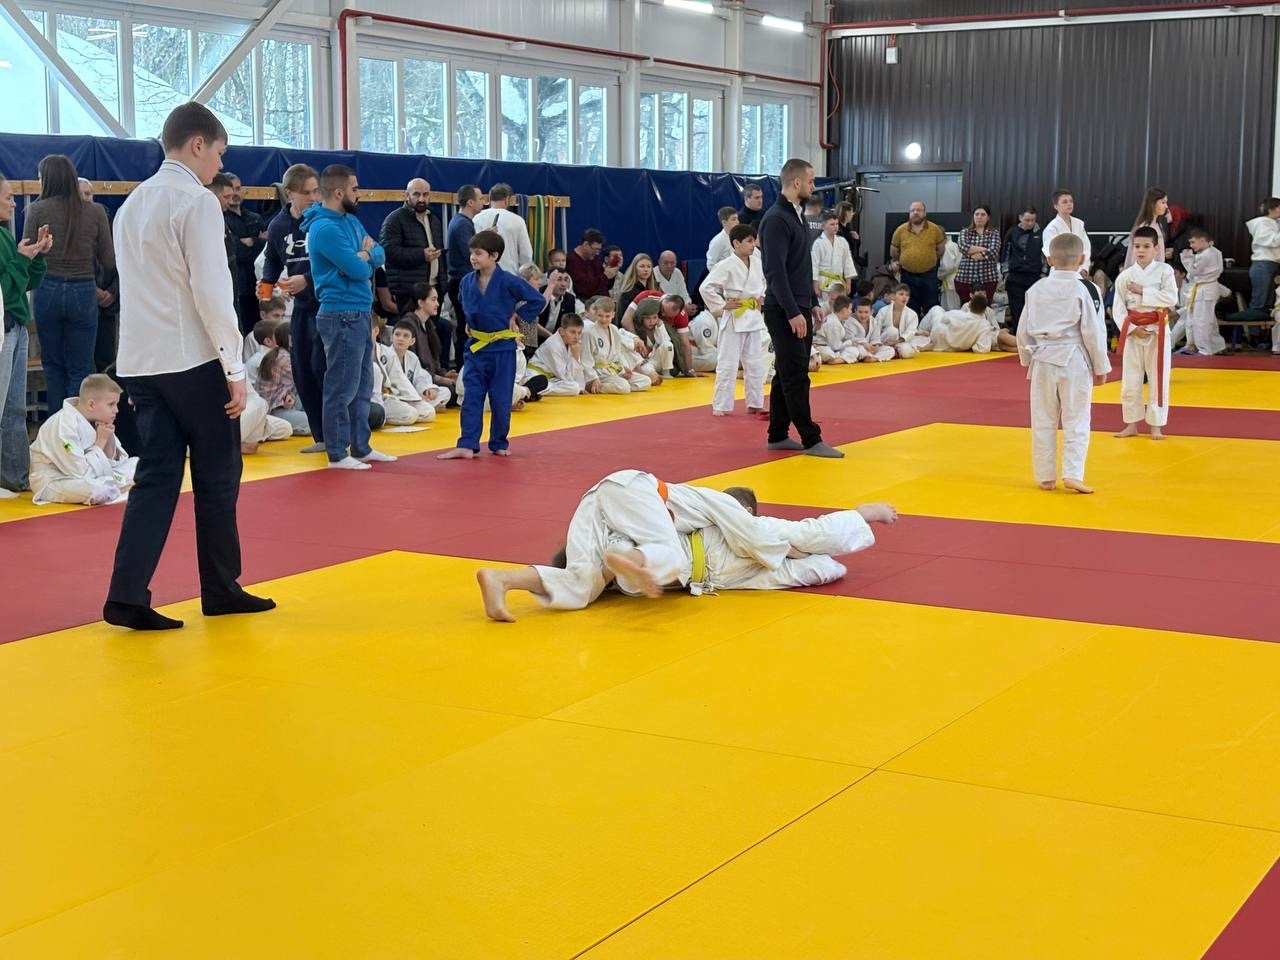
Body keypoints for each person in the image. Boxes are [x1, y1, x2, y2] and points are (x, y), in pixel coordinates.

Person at [104, 102, 275, 631]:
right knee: (218, 473)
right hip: (192, 359)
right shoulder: (196, 202)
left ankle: (126, 595)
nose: (219, 165)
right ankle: (220, 588)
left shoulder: (132, 203)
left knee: (156, 476)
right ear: (197, 144)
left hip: (140, 359)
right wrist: (236, 369)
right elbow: (212, 293)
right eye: (218, 152)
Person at [474, 468, 898, 621]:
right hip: (634, 488)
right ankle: (626, 558)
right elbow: (792, 534)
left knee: (581, 585)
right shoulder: (724, 508)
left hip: (602, 504)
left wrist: (822, 564)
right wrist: (862, 514)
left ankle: (501, 581)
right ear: (744, 508)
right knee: (669, 553)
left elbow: (808, 569)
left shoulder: (711, 534)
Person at [302, 163, 395, 471]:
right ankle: (337, 452)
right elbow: (358, 270)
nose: (359, 194)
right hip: (340, 312)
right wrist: (365, 259)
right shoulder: (325, 229)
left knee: (363, 383)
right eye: (355, 189)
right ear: (339, 192)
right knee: (341, 386)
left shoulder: (351, 221)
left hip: (360, 310)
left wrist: (366, 255)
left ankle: (360, 445)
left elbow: (378, 253)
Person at [759, 158, 841, 458]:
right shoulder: (776, 219)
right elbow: (775, 272)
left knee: (786, 372)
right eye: (810, 181)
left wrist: (812, 302)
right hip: (783, 309)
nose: (813, 186)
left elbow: (800, 266)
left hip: (799, 303)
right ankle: (811, 438)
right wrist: (793, 311)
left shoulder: (796, 216)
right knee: (796, 375)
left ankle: (778, 434)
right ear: (796, 183)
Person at [1017, 232, 1111, 493]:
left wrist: (1026, 358)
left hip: (1042, 359)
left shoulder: (1036, 289)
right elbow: (1094, 331)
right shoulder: (1086, 288)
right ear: (1082, 259)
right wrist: (1101, 366)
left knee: (1042, 419)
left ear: (1049, 259)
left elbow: (1023, 330)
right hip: (1074, 359)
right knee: (1077, 419)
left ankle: (1045, 476)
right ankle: (1072, 474)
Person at [438, 231, 544, 460]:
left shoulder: (509, 281)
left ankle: (498, 442)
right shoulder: (466, 281)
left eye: (478, 253)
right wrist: (469, 322)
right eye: (471, 253)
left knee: (500, 398)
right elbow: (464, 304)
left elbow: (537, 299)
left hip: (503, 349)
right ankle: (467, 444)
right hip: (476, 347)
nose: (473, 257)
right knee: (471, 396)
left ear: (494, 256)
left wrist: (518, 316)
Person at [24, 154, 114, 416]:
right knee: (80, 369)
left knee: (53, 367)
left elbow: (28, 254)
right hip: (83, 291)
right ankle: (77, 432)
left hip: (47, 289)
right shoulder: (95, 211)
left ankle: (55, 431)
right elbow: (109, 261)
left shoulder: (37, 210)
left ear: (47, 179)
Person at [259, 163, 325, 452]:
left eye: (316, 191)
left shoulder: (325, 221)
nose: (313, 198)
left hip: (329, 304)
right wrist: (266, 288)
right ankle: (321, 436)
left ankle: (340, 435)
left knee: (324, 368)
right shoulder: (278, 226)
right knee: (303, 370)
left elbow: (336, 263)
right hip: (302, 308)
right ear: (289, 193)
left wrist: (306, 280)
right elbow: (273, 261)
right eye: (307, 193)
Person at [0, 174, 51, 499]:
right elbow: (4, 290)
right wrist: (22, 259)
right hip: (4, 328)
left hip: (15, 325)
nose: (13, 202)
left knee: (15, 409)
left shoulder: (5, 236)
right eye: (8, 197)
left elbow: (23, 284)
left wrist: (36, 256)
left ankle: (15, 477)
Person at [30, 372, 137, 506]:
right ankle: (122, 486)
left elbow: (114, 462)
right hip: (58, 479)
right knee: (98, 490)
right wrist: (100, 441)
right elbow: (79, 472)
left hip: (91, 475)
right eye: (111, 404)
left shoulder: (96, 419)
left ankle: (120, 485)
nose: (116, 410)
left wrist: (108, 437)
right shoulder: (65, 424)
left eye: (116, 404)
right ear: (91, 405)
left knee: (137, 464)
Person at [1113, 226, 1179, 440]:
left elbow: (1171, 298)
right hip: (1134, 332)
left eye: (1146, 246)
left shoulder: (1165, 271)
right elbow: (1118, 308)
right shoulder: (1125, 276)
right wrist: (1132, 329)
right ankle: (1131, 424)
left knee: (1159, 377)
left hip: (1158, 331)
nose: (1141, 250)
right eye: (1137, 246)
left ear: (1156, 248)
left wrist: (1142, 291)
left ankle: (1156, 426)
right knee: (1130, 379)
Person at [701, 223, 767, 417]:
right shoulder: (726, 264)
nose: (753, 245)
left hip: (753, 316)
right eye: (749, 241)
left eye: (754, 241)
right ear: (736, 243)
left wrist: (761, 296)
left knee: (755, 363)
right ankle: (721, 405)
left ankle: (755, 402)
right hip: (734, 316)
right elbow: (706, 287)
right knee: (728, 363)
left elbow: (764, 281)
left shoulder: (757, 261)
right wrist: (722, 305)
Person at [379, 177, 446, 320]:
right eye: (416, 194)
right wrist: (421, 255)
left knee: (432, 331)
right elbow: (389, 252)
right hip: (409, 292)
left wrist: (443, 284)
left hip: (433, 289)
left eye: (425, 194)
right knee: (411, 331)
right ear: (407, 195)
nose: (421, 199)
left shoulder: (434, 220)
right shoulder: (394, 219)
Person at [77, 178, 121, 374]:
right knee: (82, 364)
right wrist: (92, 290)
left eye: (88, 193)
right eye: (80, 194)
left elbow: (122, 260)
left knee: (106, 361)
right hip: (81, 303)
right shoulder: (67, 227)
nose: (85, 198)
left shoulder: (108, 223)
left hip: (108, 306)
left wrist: (113, 291)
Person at [445, 184, 485, 369]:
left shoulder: (462, 223)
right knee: (466, 326)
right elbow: (469, 253)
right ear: (470, 202)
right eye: (480, 198)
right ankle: (465, 367)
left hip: (460, 279)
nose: (483, 202)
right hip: (462, 280)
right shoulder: (462, 224)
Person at [221, 173, 266, 334]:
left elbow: (266, 250)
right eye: (231, 189)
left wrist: (252, 241)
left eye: (238, 188)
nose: (235, 193)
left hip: (258, 287)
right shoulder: (220, 219)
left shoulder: (255, 218)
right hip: (236, 288)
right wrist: (257, 241)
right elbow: (236, 252)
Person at [580, 296, 651, 394]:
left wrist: (625, 367)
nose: (604, 319)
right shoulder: (589, 332)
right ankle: (594, 386)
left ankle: (618, 385)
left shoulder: (614, 329)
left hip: (613, 369)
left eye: (607, 316)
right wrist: (593, 378)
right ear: (595, 313)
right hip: (598, 372)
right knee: (624, 387)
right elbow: (585, 359)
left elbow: (618, 353)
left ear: (613, 315)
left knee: (646, 381)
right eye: (600, 316)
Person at [400, 283, 458, 398]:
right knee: (453, 391)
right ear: (420, 303)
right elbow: (413, 366)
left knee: (462, 385)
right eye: (433, 299)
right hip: (417, 381)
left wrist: (444, 374)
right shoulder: (408, 325)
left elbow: (432, 361)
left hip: (430, 377)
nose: (437, 304)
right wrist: (440, 379)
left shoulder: (428, 324)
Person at [889, 200, 946, 314]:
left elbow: (940, 250)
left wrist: (927, 259)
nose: (915, 212)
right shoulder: (900, 230)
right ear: (909, 213)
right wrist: (906, 260)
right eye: (912, 210)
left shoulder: (935, 229)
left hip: (929, 276)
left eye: (919, 210)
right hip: (908, 276)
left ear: (925, 213)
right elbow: (894, 252)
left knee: (931, 308)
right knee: (909, 309)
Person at [1178, 229, 1227, 356]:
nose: (1191, 246)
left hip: (1205, 290)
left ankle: (1204, 350)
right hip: (1206, 288)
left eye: (1193, 242)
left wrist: (1187, 258)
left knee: (1201, 322)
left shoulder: (1206, 255)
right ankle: (1217, 346)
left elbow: (1194, 271)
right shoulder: (1215, 251)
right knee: (1209, 320)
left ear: (1202, 240)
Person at [472, 183, 533, 274]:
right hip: (510, 273)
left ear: (490, 198)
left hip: (483, 273)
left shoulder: (476, 218)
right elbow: (526, 254)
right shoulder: (518, 220)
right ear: (507, 199)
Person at [1002, 207, 1044, 333]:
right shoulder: (1012, 232)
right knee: (1017, 310)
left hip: (1035, 277)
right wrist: (1005, 273)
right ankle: (1017, 336)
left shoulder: (1041, 233)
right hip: (1015, 276)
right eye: (1027, 220)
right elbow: (1005, 253)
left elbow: (1045, 254)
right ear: (1020, 218)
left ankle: (1034, 335)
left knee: (1035, 310)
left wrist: (1044, 274)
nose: (1030, 223)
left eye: (1033, 220)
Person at [529, 313, 590, 396]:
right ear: (562, 331)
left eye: (579, 333)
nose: (576, 337)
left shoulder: (572, 344)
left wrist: (581, 387)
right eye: (573, 332)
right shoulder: (553, 344)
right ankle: (531, 389)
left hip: (552, 379)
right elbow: (565, 377)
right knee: (574, 388)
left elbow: (573, 374)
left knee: (575, 387)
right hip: (535, 377)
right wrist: (575, 357)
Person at [929, 293, 1011, 354]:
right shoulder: (984, 324)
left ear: (970, 305)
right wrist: (970, 345)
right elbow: (983, 348)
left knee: (936, 309)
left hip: (938, 339)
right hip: (951, 346)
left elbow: (943, 319)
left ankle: (922, 334)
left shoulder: (956, 313)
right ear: (984, 310)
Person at [955, 205, 1001, 304]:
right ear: (973, 216)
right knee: (966, 307)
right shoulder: (965, 232)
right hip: (965, 277)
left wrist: (971, 253)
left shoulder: (994, 233)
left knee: (985, 307)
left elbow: (994, 251)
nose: (979, 217)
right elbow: (963, 247)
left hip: (988, 278)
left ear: (988, 217)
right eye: (977, 214)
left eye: (983, 215)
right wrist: (984, 249)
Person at [1041, 190, 1091, 278]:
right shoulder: (1051, 228)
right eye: (1065, 202)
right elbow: (1050, 252)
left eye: (1071, 201)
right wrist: (1072, 269)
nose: (1069, 204)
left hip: (1080, 272)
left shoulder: (1079, 224)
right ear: (1056, 206)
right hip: (1060, 272)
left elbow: (1086, 247)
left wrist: (1084, 268)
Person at [811, 211, 857, 305]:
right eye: (832, 224)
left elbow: (847, 262)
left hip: (838, 283)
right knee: (824, 307)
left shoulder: (842, 241)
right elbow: (814, 265)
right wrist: (815, 286)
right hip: (823, 283)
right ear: (823, 226)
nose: (835, 227)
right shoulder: (818, 244)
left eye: (837, 224)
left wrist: (848, 282)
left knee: (839, 307)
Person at [872, 283, 928, 359]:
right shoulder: (883, 311)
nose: (904, 297)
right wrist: (875, 343)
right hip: (883, 341)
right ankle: (890, 351)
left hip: (899, 342)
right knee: (892, 331)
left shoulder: (912, 314)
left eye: (907, 295)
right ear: (894, 296)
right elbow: (876, 328)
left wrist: (897, 341)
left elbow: (910, 331)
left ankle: (893, 352)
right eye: (901, 294)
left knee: (908, 351)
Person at [1246, 197, 1280, 310]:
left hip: (1272, 264)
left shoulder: (1274, 222)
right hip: (1263, 264)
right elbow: (1271, 241)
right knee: (1259, 302)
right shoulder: (1262, 223)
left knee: (1268, 302)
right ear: (1270, 209)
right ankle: (1253, 322)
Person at [566, 228, 618, 300]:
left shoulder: (593, 258)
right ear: (586, 244)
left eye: (599, 250)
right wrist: (605, 276)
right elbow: (583, 289)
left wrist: (611, 273)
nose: (597, 253)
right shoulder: (572, 261)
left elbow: (605, 285)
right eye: (596, 249)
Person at [1124, 187, 1169, 269]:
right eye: (1163, 202)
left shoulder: (1158, 225)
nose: (1166, 206)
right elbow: (1134, 256)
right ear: (1152, 203)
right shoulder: (1144, 227)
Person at [615, 253, 659, 327]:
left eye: (649, 266)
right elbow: (622, 319)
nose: (646, 269)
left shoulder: (654, 288)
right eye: (642, 266)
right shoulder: (628, 292)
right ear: (634, 268)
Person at [538, 268, 581, 335]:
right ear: (548, 281)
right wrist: (551, 337)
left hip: (557, 338)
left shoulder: (570, 299)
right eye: (559, 279)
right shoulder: (539, 294)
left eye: (566, 280)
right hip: (535, 338)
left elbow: (568, 324)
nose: (563, 284)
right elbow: (533, 323)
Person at [705, 207, 739, 272]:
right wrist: (720, 276)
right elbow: (711, 264)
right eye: (734, 219)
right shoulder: (718, 240)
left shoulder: (739, 237)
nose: (737, 222)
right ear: (724, 222)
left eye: (737, 218)